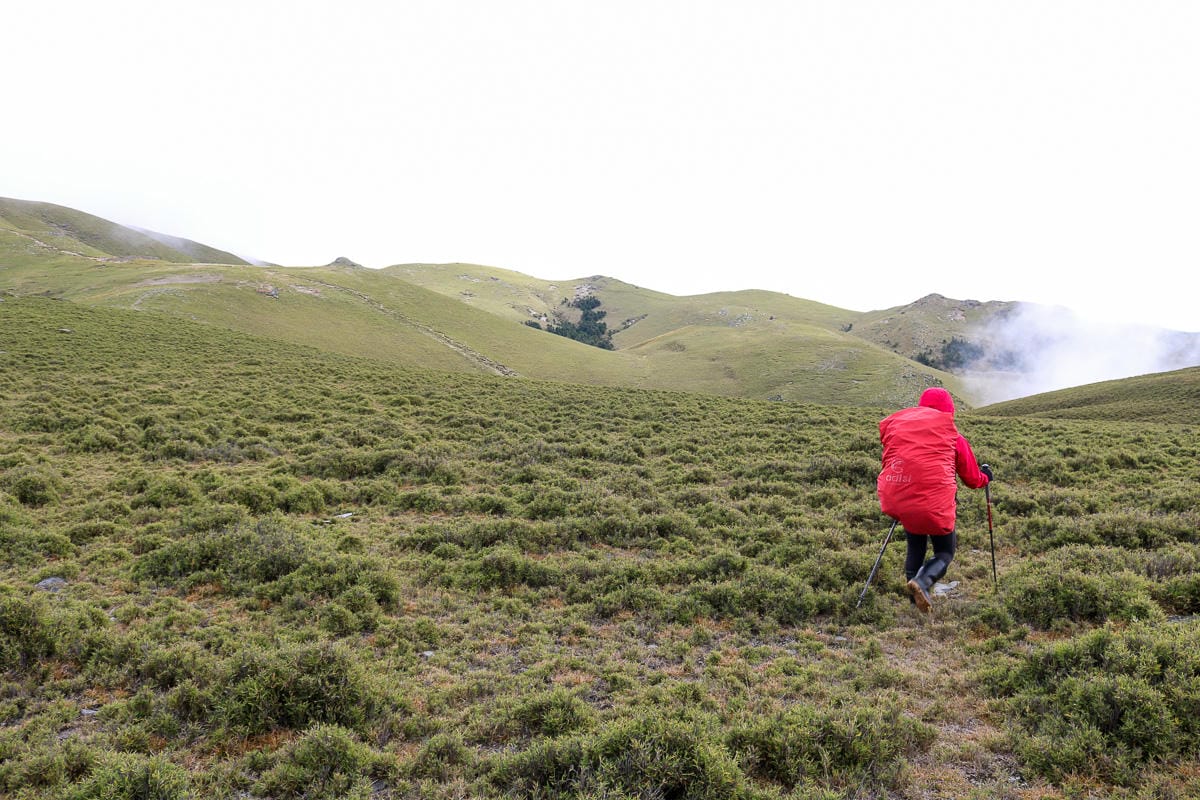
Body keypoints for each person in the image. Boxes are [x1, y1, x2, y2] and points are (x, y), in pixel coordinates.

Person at [877, 387, 992, 612]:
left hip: (902, 497)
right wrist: (985, 478)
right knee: (944, 552)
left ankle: (915, 602)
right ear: (948, 410)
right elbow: (971, 478)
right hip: (935, 504)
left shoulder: (903, 433)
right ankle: (923, 582)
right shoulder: (954, 438)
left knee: (915, 547)